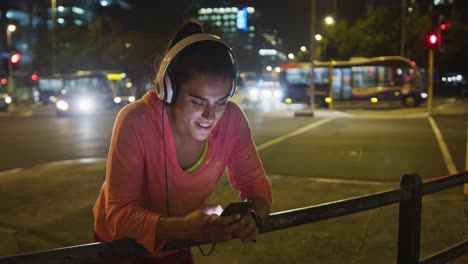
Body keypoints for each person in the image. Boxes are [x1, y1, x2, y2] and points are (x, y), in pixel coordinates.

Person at [92, 19, 272, 263]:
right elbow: (119, 217)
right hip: (119, 248)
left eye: (220, 102)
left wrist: (254, 217)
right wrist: (186, 228)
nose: (210, 116)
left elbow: (256, 186)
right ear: (168, 90)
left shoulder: (232, 119)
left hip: (178, 240)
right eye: (198, 102)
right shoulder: (136, 120)